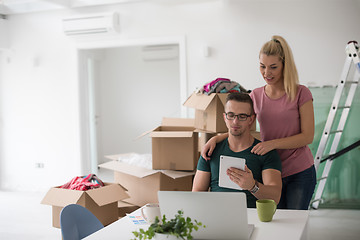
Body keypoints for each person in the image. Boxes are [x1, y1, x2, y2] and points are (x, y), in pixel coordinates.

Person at [201, 35, 316, 210]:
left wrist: (271, 144)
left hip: (299, 171)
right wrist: (217, 138)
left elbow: (308, 136)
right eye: (262, 66)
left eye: (273, 67)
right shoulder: (255, 95)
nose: (266, 73)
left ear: (285, 66)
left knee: (293, 224)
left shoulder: (301, 93)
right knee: (274, 224)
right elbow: (242, 123)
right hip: (268, 169)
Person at [192, 92, 282, 208]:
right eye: (231, 115)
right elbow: (197, 192)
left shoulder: (265, 152)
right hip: (215, 216)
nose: (235, 122)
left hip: (251, 219)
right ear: (225, 117)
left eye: (242, 116)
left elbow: (275, 197)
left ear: (251, 119)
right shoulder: (211, 150)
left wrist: (252, 186)